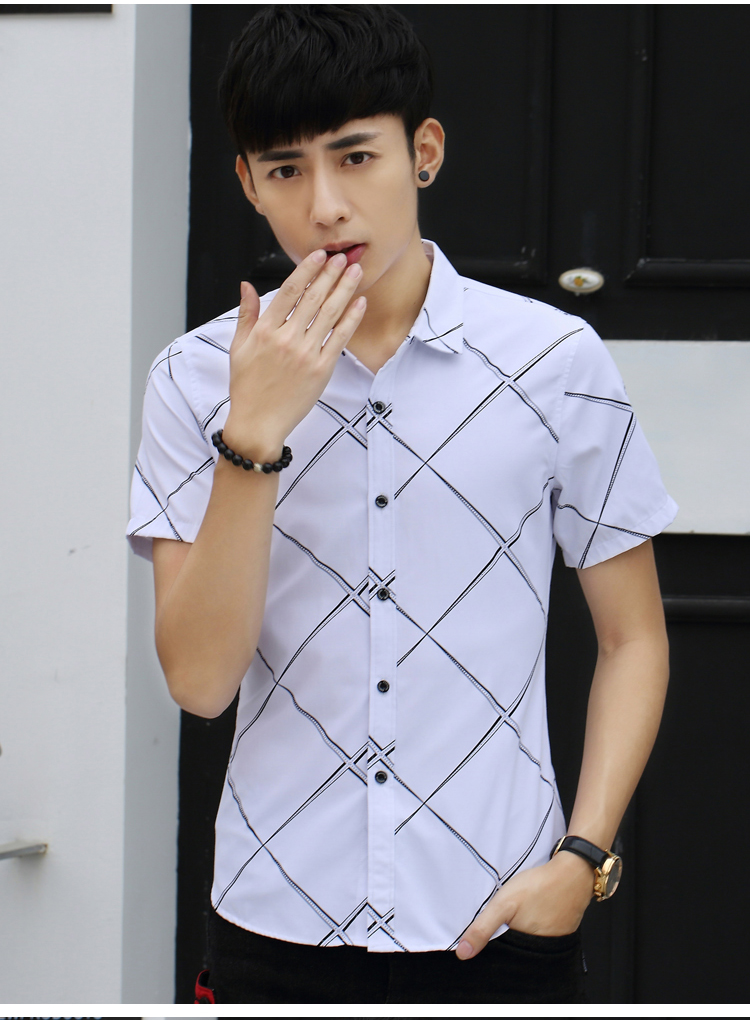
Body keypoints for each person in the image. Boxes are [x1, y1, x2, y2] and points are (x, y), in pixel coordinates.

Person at [128, 5, 677, 1005]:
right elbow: (200, 683)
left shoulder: (555, 362)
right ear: (247, 183)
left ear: (423, 151)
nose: (326, 206)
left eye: (356, 157)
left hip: (499, 916)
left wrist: (583, 859)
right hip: (275, 919)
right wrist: (254, 434)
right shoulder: (195, 378)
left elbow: (633, 639)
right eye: (286, 170)